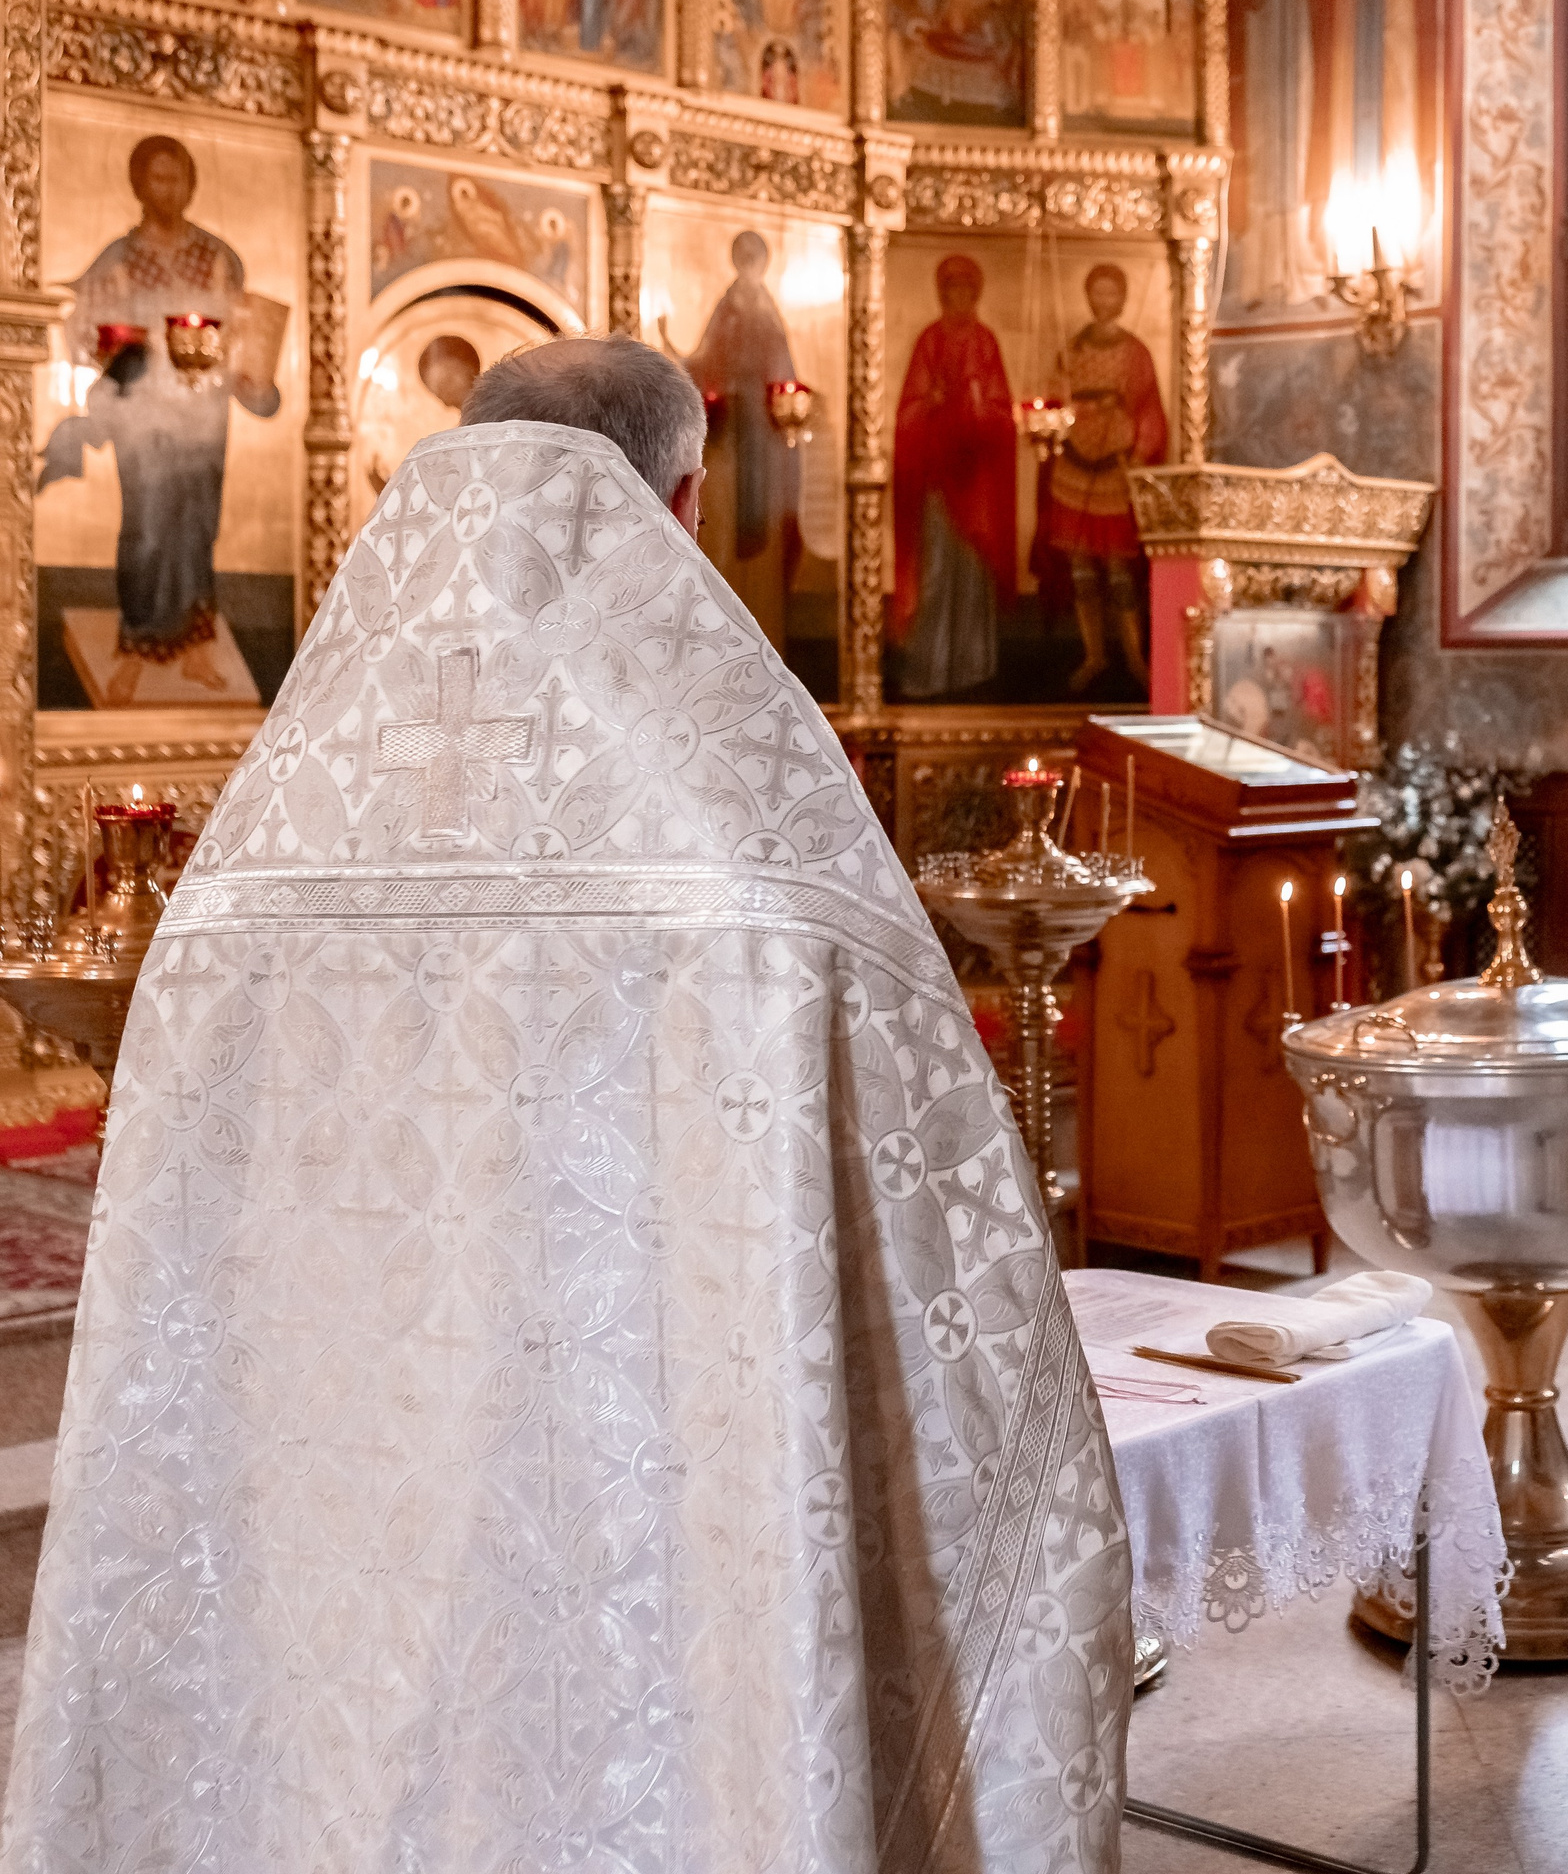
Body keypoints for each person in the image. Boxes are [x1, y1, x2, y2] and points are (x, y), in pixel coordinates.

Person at [0, 336, 1133, 1874]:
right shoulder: (753, 846)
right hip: (644, 1484)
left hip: (337, 1505)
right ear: (672, 512)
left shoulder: (260, 852)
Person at [45, 135, 283, 704]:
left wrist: (252, 370)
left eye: (177, 178)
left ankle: (197, 646)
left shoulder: (219, 256)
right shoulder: (119, 259)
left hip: (204, 413)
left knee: (197, 527)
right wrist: (117, 341)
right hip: (144, 416)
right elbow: (85, 328)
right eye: (157, 178)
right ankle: (137, 644)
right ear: (137, 185)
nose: (168, 189)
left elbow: (246, 331)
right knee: (148, 528)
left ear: (192, 185)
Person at [665, 231, 806, 650]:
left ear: (762, 262)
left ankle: (768, 633)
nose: (748, 265)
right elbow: (706, 359)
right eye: (742, 256)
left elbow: (785, 372)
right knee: (722, 524)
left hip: (763, 435)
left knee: (767, 520)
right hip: (728, 436)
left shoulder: (768, 310)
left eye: (754, 257)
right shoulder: (726, 307)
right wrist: (676, 351)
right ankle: (724, 638)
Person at [1033, 263, 1166, 694]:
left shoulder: (1136, 353)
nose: (1105, 302)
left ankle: (1134, 658)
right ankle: (1093, 655)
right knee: (1081, 569)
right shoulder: (1071, 350)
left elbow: (1149, 409)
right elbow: (1053, 404)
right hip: (1074, 465)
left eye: (1113, 294)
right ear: (1090, 297)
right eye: (1098, 293)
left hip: (1115, 466)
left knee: (1119, 570)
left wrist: (1138, 449)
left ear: (1123, 299)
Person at [892, 253, 1016, 697]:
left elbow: (1003, 412)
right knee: (938, 570)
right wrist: (934, 403)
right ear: (942, 294)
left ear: (975, 294)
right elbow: (908, 410)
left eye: (966, 290)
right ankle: (931, 669)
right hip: (938, 477)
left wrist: (982, 406)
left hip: (977, 480)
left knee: (973, 572)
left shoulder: (985, 342)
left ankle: (973, 669)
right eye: (951, 290)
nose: (958, 297)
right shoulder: (929, 341)